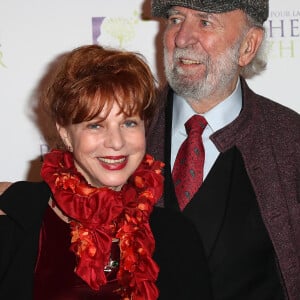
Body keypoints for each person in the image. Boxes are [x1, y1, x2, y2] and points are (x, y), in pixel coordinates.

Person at [0, 45, 212, 299]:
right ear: (66, 133)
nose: (116, 142)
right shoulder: (16, 217)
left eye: (129, 122)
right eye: (96, 125)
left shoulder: (177, 234)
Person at [147, 0, 300, 300]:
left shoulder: (291, 140)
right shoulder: (122, 134)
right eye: (176, 19)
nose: (181, 38)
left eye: (205, 22)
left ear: (248, 46)